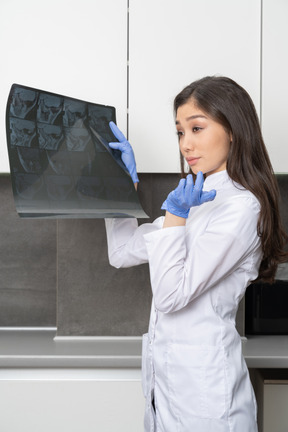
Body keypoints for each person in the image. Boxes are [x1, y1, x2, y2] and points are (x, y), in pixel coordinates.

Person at [105, 76, 288, 432]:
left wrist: (175, 214)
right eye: (179, 133)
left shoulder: (241, 208)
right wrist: (121, 186)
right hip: (168, 391)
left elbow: (171, 296)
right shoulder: (196, 198)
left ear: (233, 130)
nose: (186, 144)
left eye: (197, 128)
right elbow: (122, 251)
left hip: (207, 402)